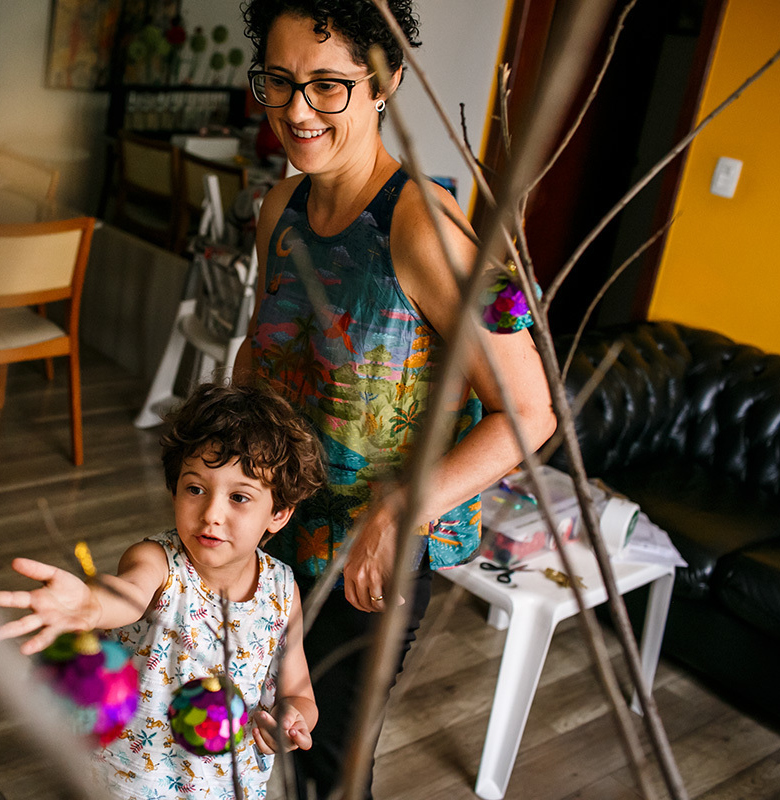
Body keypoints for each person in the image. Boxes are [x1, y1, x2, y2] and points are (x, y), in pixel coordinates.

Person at [234, 1, 557, 797]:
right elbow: (260, 351)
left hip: (370, 557)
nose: (297, 111)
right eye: (279, 82)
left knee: (332, 764)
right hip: (275, 528)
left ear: (385, 84)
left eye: (328, 86)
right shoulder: (282, 207)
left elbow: (532, 413)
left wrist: (397, 509)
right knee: (265, 723)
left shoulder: (428, 228)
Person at [0, 383, 328, 800]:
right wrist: (91, 605)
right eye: (195, 488)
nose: (211, 514)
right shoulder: (158, 561)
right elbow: (126, 592)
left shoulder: (281, 590)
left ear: (279, 514)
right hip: (131, 781)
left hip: (227, 787)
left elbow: (297, 689)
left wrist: (294, 718)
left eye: (239, 497)